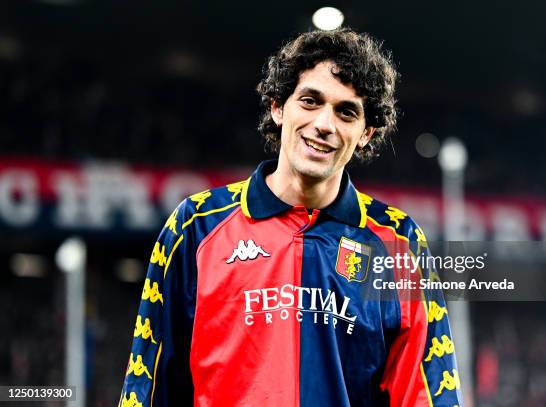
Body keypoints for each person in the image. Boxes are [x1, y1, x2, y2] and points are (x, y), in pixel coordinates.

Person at [119, 28, 462, 407]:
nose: (325, 125)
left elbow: (425, 393)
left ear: (367, 133)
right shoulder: (196, 226)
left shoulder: (397, 240)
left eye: (346, 112)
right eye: (310, 101)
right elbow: (149, 389)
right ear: (277, 107)